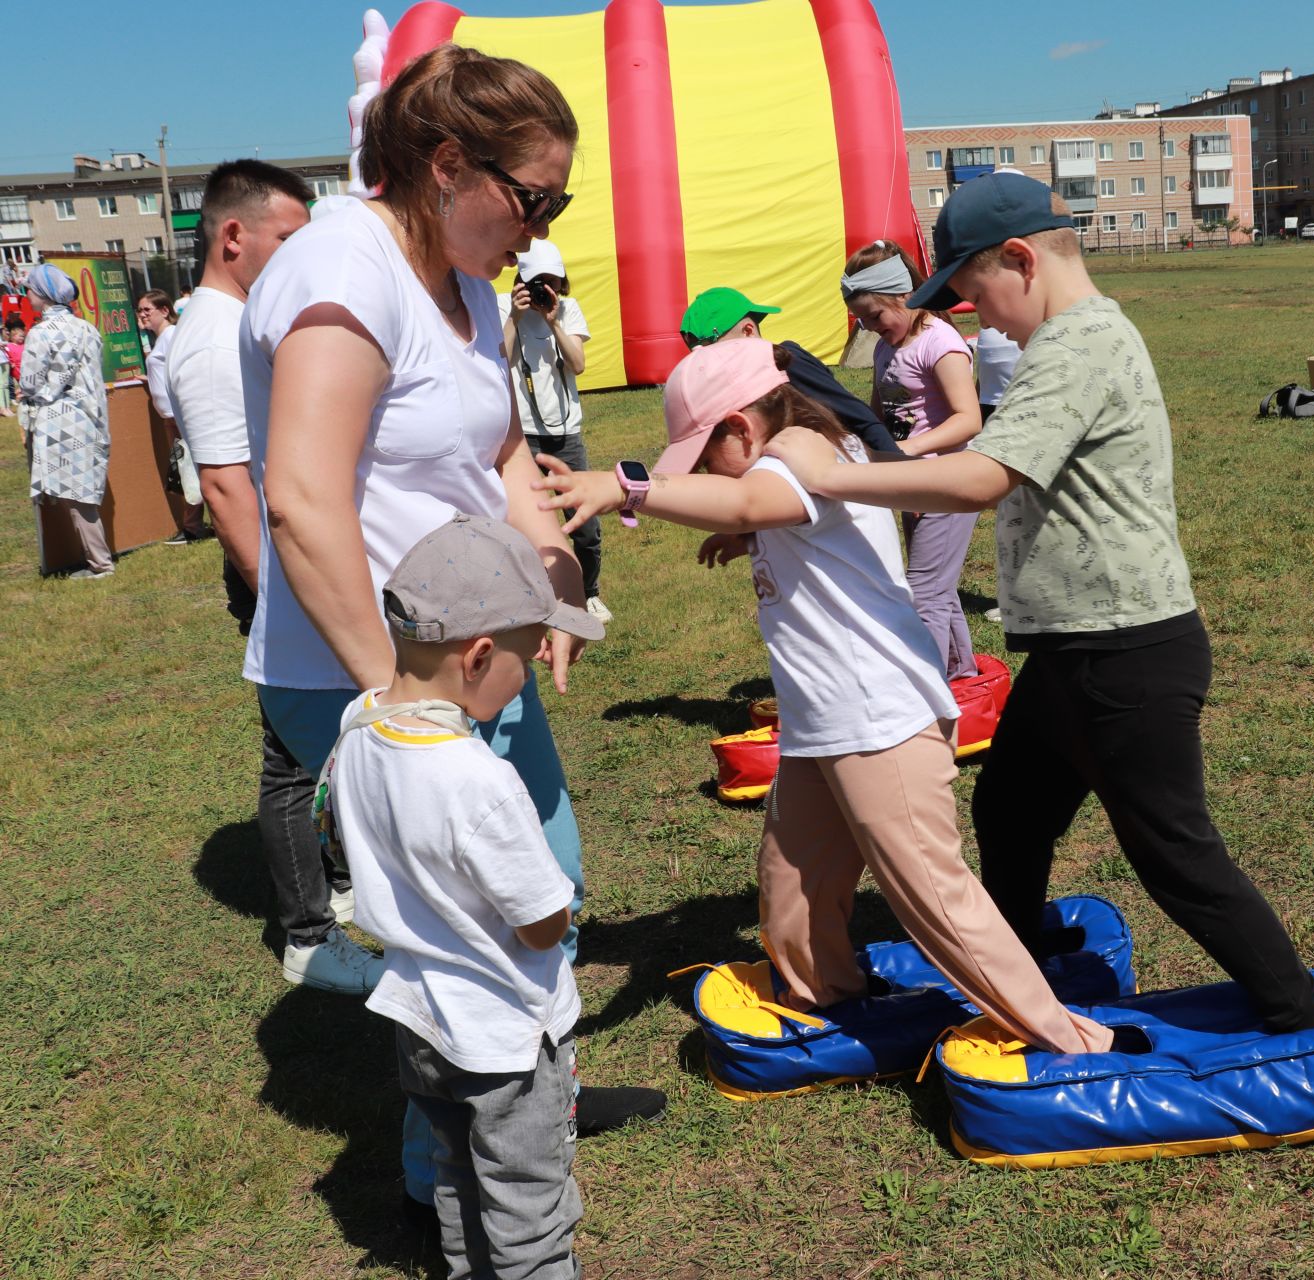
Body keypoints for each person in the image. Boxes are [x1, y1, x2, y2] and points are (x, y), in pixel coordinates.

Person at [240, 44, 662, 1213]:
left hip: (465, 660)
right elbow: (302, 496)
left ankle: (533, 1109)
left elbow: (500, 451)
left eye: (558, 203)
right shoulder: (342, 268)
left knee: (543, 880)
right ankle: (462, 1175)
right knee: (459, 934)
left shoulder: (467, 285)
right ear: (443, 164)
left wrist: (555, 576)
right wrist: (398, 704)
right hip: (365, 672)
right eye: (535, 198)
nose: (544, 228)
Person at [766, 172, 1314, 1036]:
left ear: (1022, 260)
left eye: (974, 294)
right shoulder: (1067, 344)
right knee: (1009, 809)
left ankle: (1302, 1023)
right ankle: (1019, 980)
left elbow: (984, 478)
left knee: (1174, 853)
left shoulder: (1077, 347)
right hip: (1075, 648)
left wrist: (836, 479)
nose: (976, 318)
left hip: (1126, 651)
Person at [532, 339, 1112, 1056]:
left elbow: (750, 493)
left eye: (706, 455)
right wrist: (750, 538)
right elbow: (772, 511)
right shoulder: (793, 459)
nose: (706, 473)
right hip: (823, 724)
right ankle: (827, 1001)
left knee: (934, 898)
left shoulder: (801, 452)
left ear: (742, 428)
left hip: (878, 721)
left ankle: (1069, 1043)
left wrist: (630, 488)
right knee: (792, 884)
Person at [323, 513, 601, 1280]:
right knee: (528, 1206)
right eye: (530, 650)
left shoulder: (358, 725)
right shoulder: (479, 780)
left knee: (456, 1176)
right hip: (505, 1037)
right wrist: (561, 903)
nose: (537, 662)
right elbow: (544, 925)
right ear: (479, 656)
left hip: (419, 1021)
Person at [170, 160, 374, 995]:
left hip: (289, 575)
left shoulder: (241, 321)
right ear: (233, 237)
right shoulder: (215, 340)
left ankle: (336, 882)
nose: (301, 257)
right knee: (292, 759)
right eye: (287, 239)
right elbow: (227, 486)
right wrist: (280, 603)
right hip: (276, 579)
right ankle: (308, 934)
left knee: (316, 748)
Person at [841, 240, 981, 679]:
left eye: (875, 316)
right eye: (861, 320)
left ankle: (927, 698)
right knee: (938, 587)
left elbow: (968, 419)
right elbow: (879, 413)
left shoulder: (941, 343)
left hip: (947, 481)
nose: (869, 327)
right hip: (913, 486)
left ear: (902, 296)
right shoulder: (888, 346)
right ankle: (961, 675)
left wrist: (906, 453)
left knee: (924, 593)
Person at [501, 237, 608, 623]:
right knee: (527, 520)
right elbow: (502, 359)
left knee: (585, 523)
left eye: (550, 281)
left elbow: (578, 364)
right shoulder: (503, 306)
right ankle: (538, 596)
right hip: (524, 435)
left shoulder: (569, 310)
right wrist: (514, 317)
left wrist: (554, 322)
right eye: (535, 281)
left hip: (566, 433)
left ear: (561, 282)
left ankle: (590, 592)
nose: (543, 289)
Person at [679, 285, 901, 459]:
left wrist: (901, 472)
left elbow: (859, 416)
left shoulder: (787, 363)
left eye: (713, 353)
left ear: (748, 332)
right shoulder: (732, 387)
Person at [18, 264, 112, 579]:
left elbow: (30, 382)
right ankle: (95, 560)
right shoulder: (87, 328)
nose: (26, 295)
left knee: (75, 493)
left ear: (42, 295)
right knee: (82, 490)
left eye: (29, 289)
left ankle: (100, 564)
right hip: (91, 417)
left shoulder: (41, 333)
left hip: (60, 422)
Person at [136, 289, 209, 544]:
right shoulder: (160, 339)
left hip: (178, 416)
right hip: (170, 416)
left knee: (187, 470)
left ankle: (192, 527)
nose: (142, 315)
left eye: (147, 310)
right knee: (185, 470)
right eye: (140, 310)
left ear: (164, 310)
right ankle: (195, 525)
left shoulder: (171, 336)